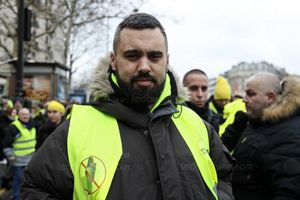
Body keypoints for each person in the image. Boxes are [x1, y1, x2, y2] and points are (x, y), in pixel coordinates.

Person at [22, 13, 234, 200]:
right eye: (132, 55)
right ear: (113, 60)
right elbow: (36, 189)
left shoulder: (196, 124)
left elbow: (224, 176)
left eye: (154, 56)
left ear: (167, 61)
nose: (144, 66)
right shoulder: (76, 128)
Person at [226, 72, 300, 199]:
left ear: (270, 98)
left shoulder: (287, 134)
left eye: (251, 94)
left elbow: (289, 191)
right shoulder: (258, 122)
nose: (244, 99)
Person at [3, 108, 36, 200]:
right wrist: (10, 155)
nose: (25, 116)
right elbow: (6, 143)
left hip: (30, 159)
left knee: (27, 181)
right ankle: (16, 197)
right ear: (18, 115)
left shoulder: (32, 125)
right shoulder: (13, 127)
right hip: (18, 160)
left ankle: (24, 196)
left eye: (27, 114)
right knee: (18, 180)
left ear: (30, 115)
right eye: (23, 114)